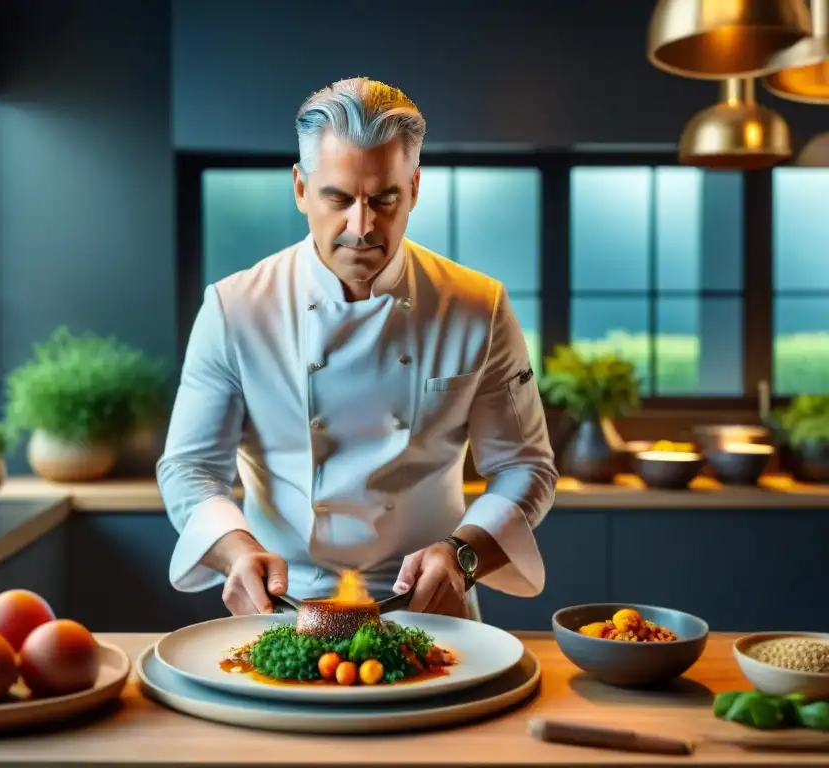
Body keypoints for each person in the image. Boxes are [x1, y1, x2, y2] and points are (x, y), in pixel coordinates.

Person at [157, 76, 558, 620]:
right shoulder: (235, 309)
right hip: (283, 603)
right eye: (338, 199)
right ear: (301, 189)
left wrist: (461, 555)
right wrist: (236, 551)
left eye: (385, 199)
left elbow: (525, 466)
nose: (361, 226)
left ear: (414, 188)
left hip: (431, 603)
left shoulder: (476, 305)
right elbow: (189, 468)